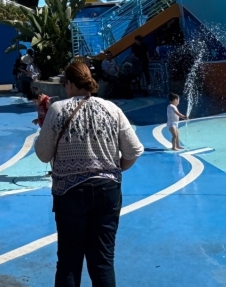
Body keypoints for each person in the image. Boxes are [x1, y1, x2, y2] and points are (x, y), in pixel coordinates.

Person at [35, 59, 145, 287]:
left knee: (69, 261)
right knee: (103, 261)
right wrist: (115, 169)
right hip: (107, 191)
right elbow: (134, 149)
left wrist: (43, 130)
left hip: (69, 193)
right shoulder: (112, 109)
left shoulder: (58, 110)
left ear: (69, 83)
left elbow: (43, 154)